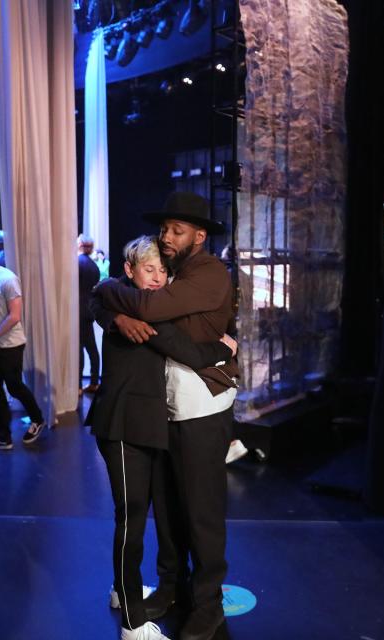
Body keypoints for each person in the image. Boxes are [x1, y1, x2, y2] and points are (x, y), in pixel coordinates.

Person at [92, 192, 239, 640]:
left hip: (200, 408)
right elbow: (126, 299)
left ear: (199, 235)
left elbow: (151, 312)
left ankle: (208, 603)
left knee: (201, 510)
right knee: (169, 508)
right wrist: (108, 309)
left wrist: (107, 297)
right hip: (168, 409)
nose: (166, 237)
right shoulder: (173, 271)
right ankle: (175, 587)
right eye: (164, 229)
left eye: (177, 230)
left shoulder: (209, 272)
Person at [0, 238, 47, 448]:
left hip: (11, 345)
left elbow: (15, 316)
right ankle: (3, 436)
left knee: (14, 387)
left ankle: (38, 418)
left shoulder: (8, 279)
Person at [78, 233, 102, 394]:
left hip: (77, 310)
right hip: (89, 310)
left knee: (78, 348)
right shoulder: (94, 266)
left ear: (79, 244)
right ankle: (94, 381)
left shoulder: (76, 263)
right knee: (91, 347)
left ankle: (78, 385)